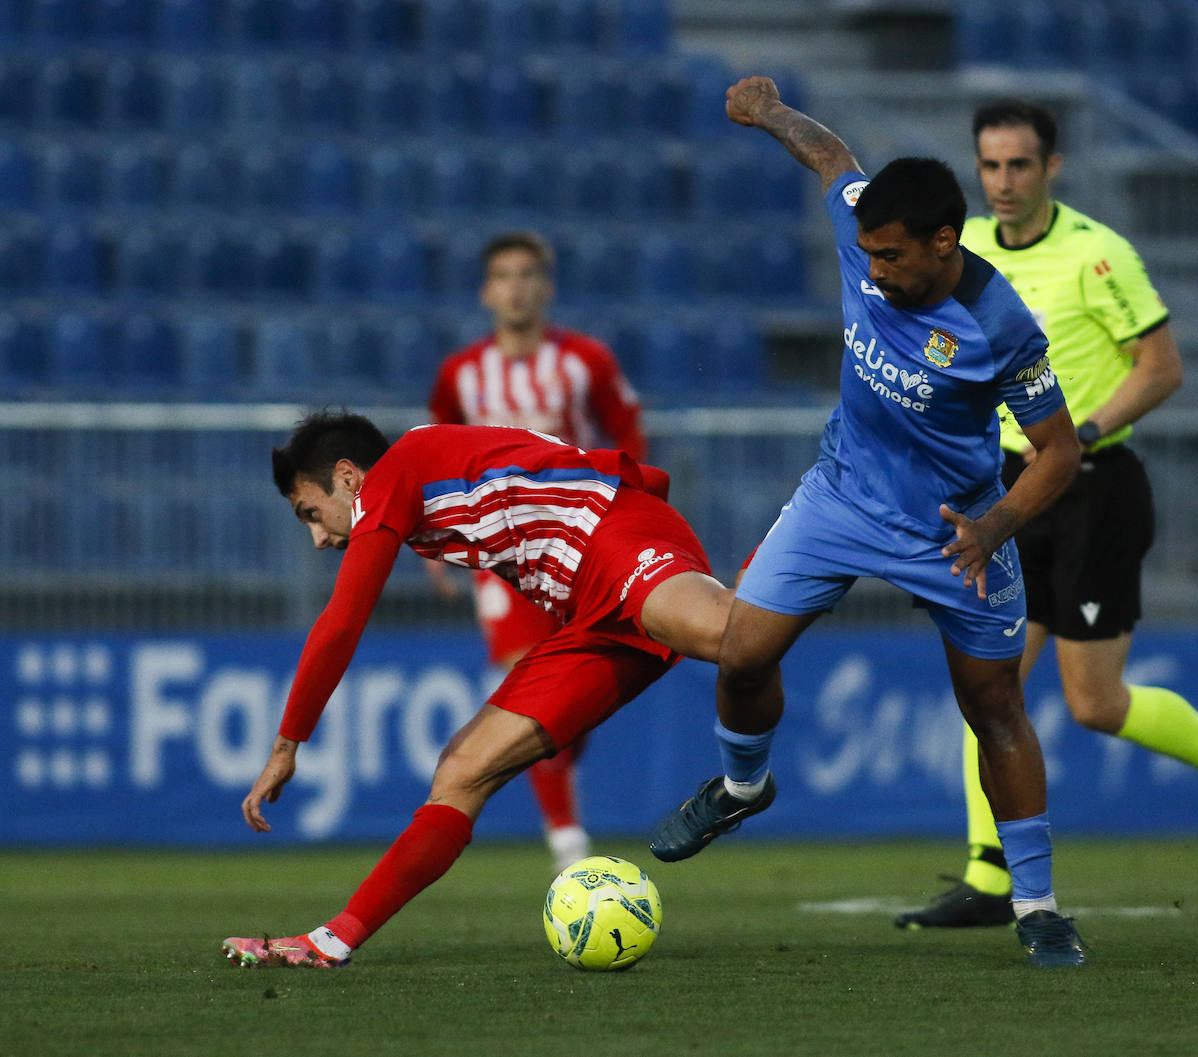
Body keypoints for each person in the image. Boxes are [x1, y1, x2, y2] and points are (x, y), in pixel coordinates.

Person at [646, 76, 1087, 968]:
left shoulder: (1001, 327)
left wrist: (996, 525)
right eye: (865, 254)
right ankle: (741, 786)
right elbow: (833, 156)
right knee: (740, 651)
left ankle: (1037, 906)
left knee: (994, 707)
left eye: (889, 257)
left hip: (955, 529)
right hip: (840, 495)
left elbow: (1061, 453)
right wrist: (770, 113)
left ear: (941, 243)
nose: (872, 272)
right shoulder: (867, 225)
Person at [894, 100, 1198, 931]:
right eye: (989, 166)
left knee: (1093, 702)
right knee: (987, 678)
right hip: (1002, 490)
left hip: (1094, 485)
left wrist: (1087, 431)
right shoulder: (960, 255)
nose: (1001, 183)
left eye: (1019, 166)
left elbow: (1162, 365)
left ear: (1051, 169)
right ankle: (988, 876)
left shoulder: (1098, 253)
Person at [221, 410, 733, 968]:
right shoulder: (418, 488)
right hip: (590, 613)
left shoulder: (394, 472)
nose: (319, 537)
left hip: (618, 537)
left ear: (348, 477)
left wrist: (286, 743)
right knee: (461, 770)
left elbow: (343, 621)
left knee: (730, 635)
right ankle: (331, 942)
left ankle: (808, 545)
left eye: (311, 514)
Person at [427, 230, 647, 872]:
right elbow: (436, 455)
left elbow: (629, 433)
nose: (517, 287)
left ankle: (561, 813)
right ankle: (569, 843)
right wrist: (433, 544)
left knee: (571, 704)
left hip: (584, 548)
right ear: (486, 291)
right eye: (504, 275)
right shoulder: (461, 376)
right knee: (530, 684)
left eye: (528, 274)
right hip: (502, 556)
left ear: (546, 287)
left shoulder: (586, 362)